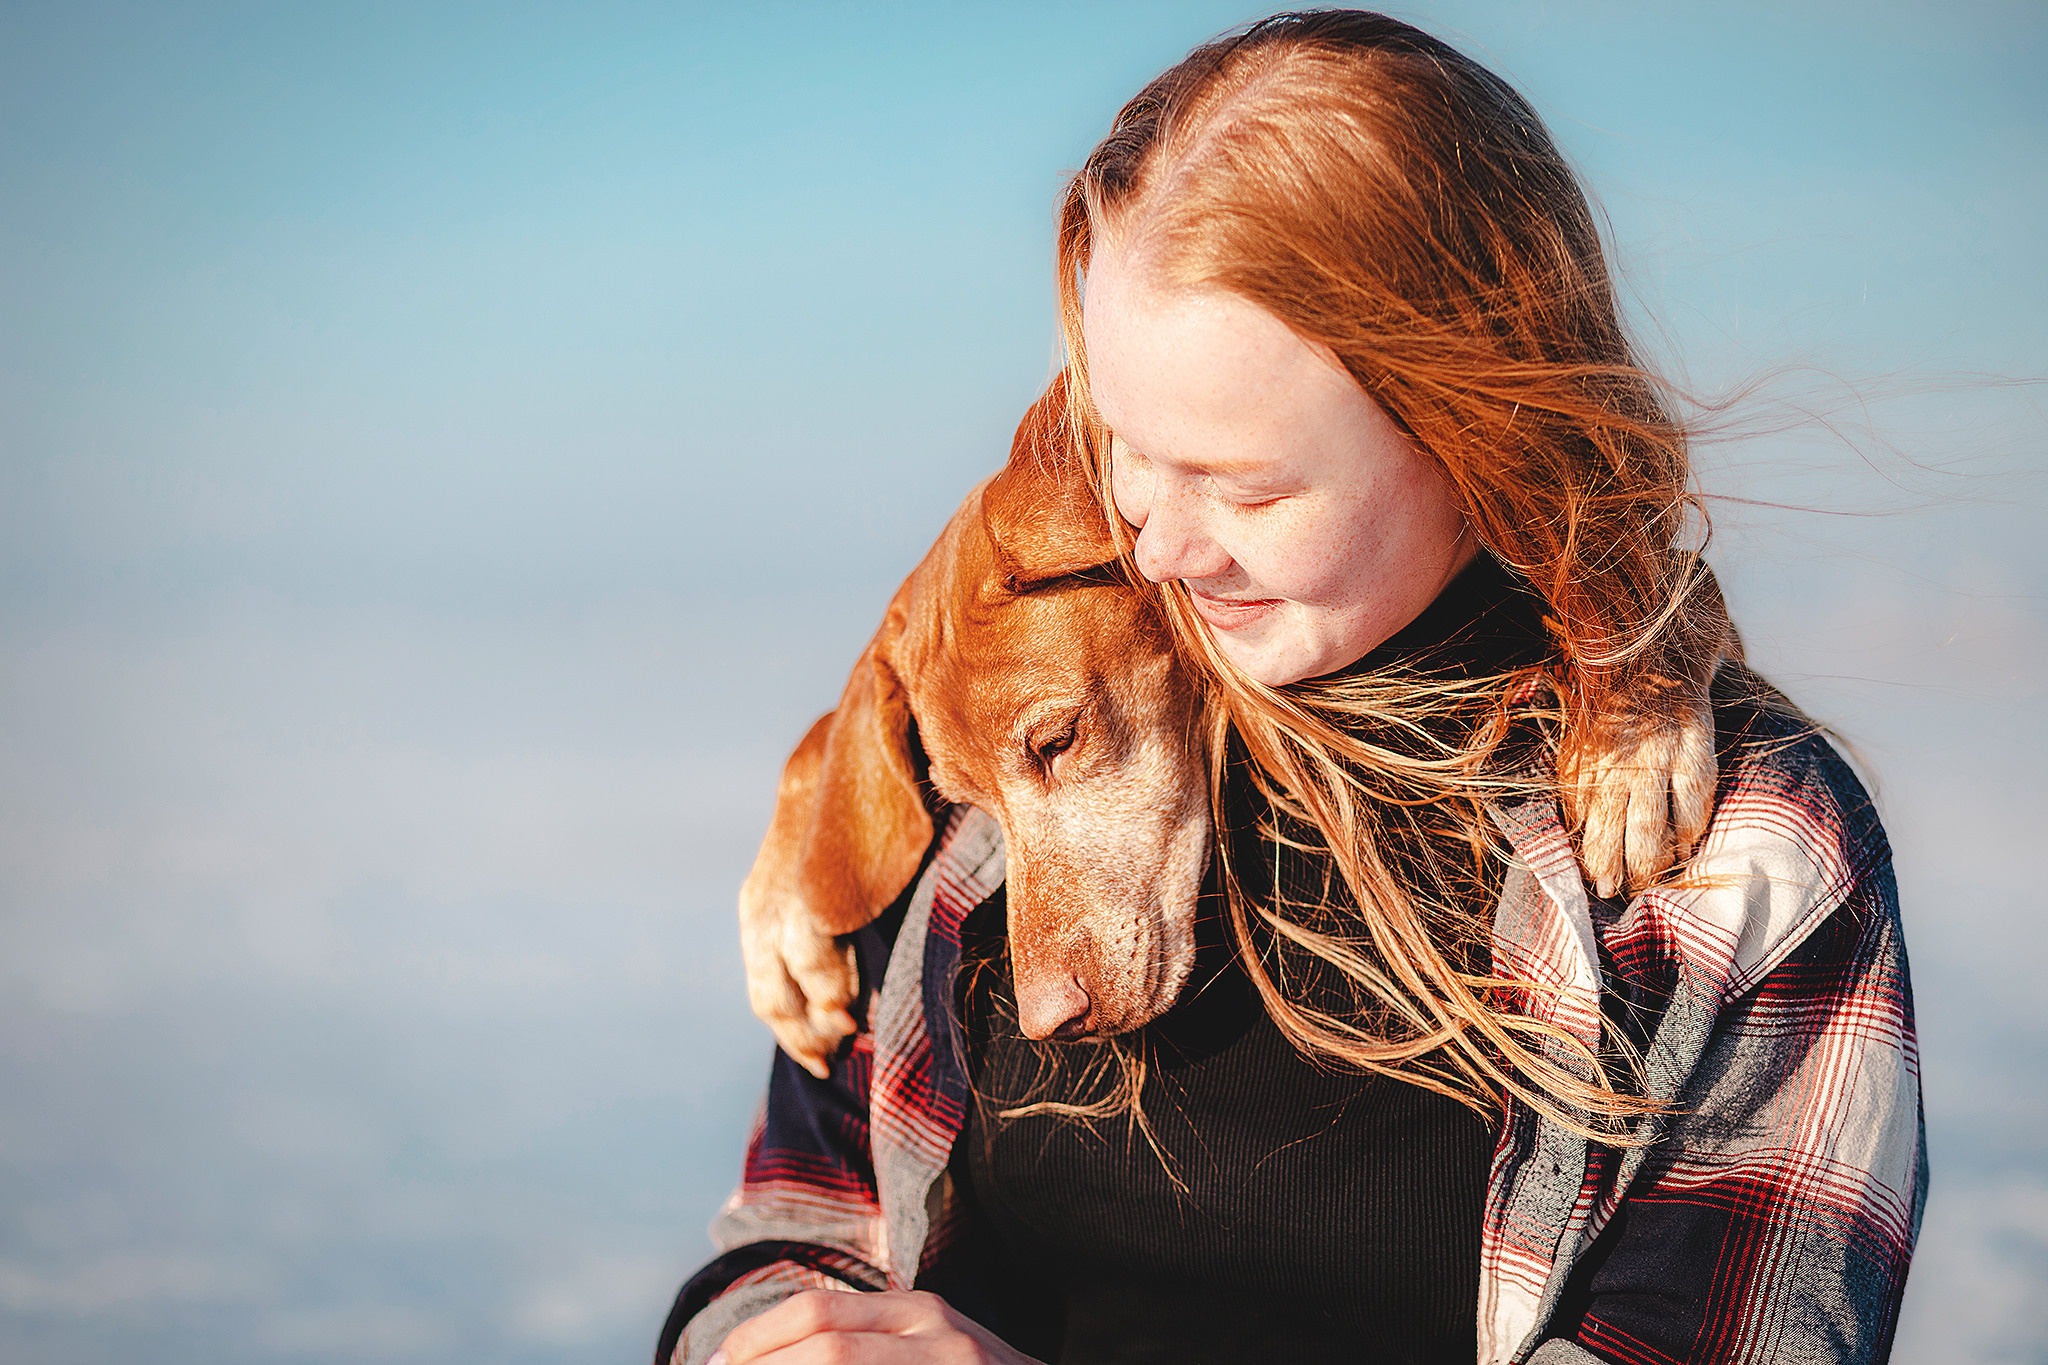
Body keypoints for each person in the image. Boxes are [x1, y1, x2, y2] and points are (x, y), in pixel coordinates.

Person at [659, 13, 1925, 1364]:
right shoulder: (1036, 697)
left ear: (1474, 428)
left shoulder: (1743, 851)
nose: (1159, 546)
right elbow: (788, 1231)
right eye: (1126, 448)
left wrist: (1626, 622)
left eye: (1251, 486)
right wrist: (758, 1343)